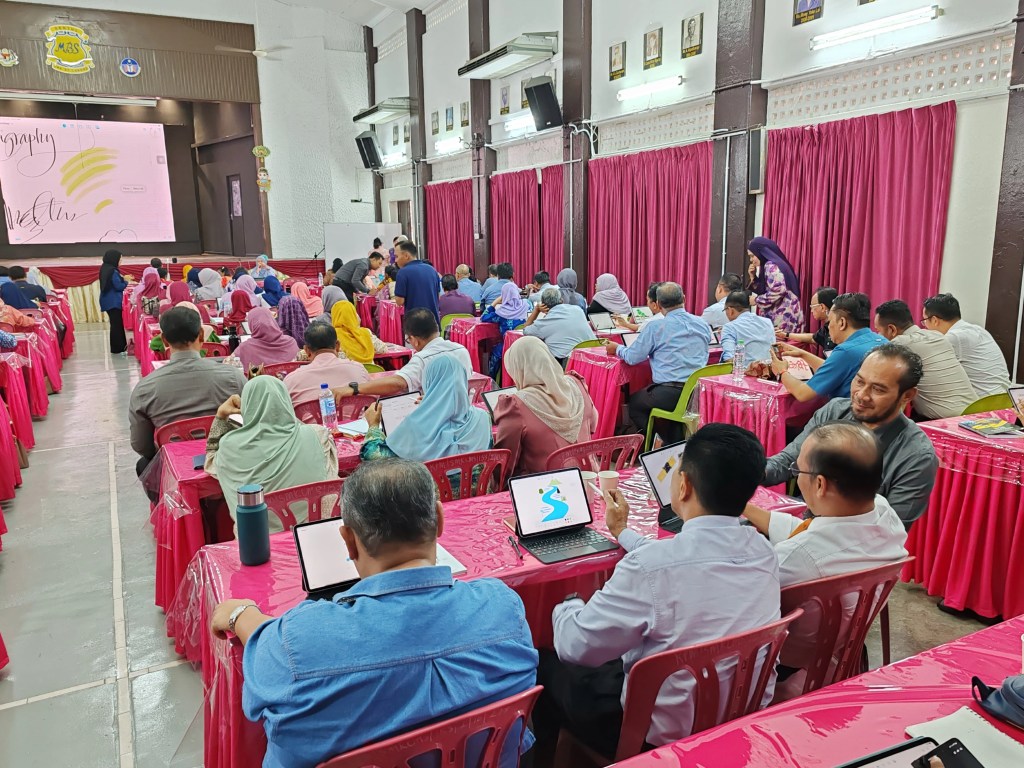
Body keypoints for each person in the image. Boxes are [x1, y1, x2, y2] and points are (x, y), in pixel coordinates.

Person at [210, 459, 538, 768]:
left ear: (348, 541)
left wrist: (242, 613)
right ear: (439, 520)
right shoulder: (504, 607)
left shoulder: (294, 644)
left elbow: (261, 679)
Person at [537, 424, 781, 756]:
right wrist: (622, 532)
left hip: (655, 737)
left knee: (546, 665)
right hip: (740, 715)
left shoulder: (651, 568)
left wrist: (566, 605)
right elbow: (679, 559)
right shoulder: (764, 552)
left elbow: (576, 648)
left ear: (683, 486)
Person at [744, 422, 907, 697]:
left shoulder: (798, 558)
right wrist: (746, 509)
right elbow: (814, 534)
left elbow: (744, 598)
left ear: (819, 484)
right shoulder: (882, 511)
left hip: (786, 666)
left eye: (798, 471)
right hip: (843, 650)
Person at [764, 344, 938, 528]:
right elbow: (788, 461)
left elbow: (889, 532)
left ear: (907, 395)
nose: (862, 395)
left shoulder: (916, 455)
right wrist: (748, 473)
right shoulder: (835, 411)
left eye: (878, 389)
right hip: (808, 524)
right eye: (860, 382)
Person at [206, 376, 338, 533]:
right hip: (315, 535)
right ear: (286, 401)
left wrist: (221, 416)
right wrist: (283, 413)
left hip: (257, 545)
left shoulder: (229, 446)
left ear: (247, 407)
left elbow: (211, 461)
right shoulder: (317, 435)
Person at [128, 307, 246, 476]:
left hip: (176, 470)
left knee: (143, 464)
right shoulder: (233, 377)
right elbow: (251, 422)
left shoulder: (145, 389)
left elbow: (141, 445)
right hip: (228, 463)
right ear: (201, 335)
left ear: (164, 340)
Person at [603, 283, 710, 444]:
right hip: (698, 392)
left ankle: (657, 444)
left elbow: (632, 357)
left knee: (635, 404)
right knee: (666, 408)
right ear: (684, 299)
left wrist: (617, 348)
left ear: (658, 305)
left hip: (669, 392)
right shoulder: (702, 323)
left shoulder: (656, 326)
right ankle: (672, 442)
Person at [495, 336, 599, 476]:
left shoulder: (516, 405)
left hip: (543, 488)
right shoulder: (576, 384)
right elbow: (593, 425)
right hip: (588, 477)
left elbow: (506, 460)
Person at [360, 355, 491, 463]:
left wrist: (373, 426)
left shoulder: (415, 426)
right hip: (481, 493)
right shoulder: (483, 418)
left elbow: (374, 456)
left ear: (429, 382)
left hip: (430, 495)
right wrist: (435, 402)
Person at [331, 308, 472, 401]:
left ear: (414, 340)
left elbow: (398, 383)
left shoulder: (423, 358)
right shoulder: (461, 350)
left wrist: (355, 388)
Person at [772, 293, 886, 403]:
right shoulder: (883, 341)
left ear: (842, 323)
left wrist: (782, 371)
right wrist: (803, 354)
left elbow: (802, 394)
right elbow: (835, 369)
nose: (828, 327)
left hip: (848, 417)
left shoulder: (846, 351)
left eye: (830, 321)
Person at [874, 299, 975, 420]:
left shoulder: (899, 345)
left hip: (946, 422)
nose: (878, 335)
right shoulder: (938, 336)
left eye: (878, 331)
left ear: (892, 329)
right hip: (975, 412)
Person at [922, 293, 1010, 399]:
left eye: (925, 321)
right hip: (1006, 399)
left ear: (935, 320)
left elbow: (927, 367)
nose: (925, 326)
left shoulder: (954, 337)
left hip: (984, 404)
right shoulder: (978, 329)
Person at [283, 324, 370, 406]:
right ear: (337, 346)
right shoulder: (359, 370)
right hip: (358, 422)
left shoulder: (291, 380)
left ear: (307, 351)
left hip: (311, 423)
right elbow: (374, 401)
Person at [522, 288, 597, 363]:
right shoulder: (578, 309)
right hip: (590, 358)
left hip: (566, 363)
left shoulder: (543, 324)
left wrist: (536, 310)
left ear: (543, 304)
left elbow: (525, 330)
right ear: (561, 300)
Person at [746, 237, 804, 333]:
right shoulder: (777, 263)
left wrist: (756, 300)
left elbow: (778, 290)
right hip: (789, 313)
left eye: (752, 256)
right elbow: (767, 288)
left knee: (780, 346)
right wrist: (753, 277)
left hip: (782, 316)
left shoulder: (771, 265)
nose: (751, 260)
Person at [480, 282, 530, 379]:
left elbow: (484, 317)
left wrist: (495, 302)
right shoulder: (526, 305)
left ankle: (492, 380)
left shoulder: (501, 313)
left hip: (507, 346)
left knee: (495, 351)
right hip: (524, 346)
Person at [232, 308, 299, 371]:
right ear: (273, 320)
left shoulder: (244, 348)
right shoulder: (290, 342)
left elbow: (229, 365)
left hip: (259, 383)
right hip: (288, 382)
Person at [778, 287, 838, 355]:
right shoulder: (826, 328)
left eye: (812, 307)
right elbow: (812, 338)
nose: (811, 311)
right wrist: (785, 335)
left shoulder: (838, 331)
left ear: (822, 307)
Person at [720, 291, 776, 363]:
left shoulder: (729, 327)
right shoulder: (767, 322)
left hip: (746, 372)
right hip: (770, 370)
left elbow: (729, 359)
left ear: (730, 310)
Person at [394, 241, 441, 324]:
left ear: (406, 255)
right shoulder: (432, 270)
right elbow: (438, 296)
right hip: (434, 321)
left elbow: (399, 301)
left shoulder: (403, 272)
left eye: (396, 256)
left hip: (414, 324)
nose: (395, 260)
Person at [98, 249, 129, 354]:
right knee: (116, 325)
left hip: (107, 300)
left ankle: (120, 346)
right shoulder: (113, 271)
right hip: (113, 301)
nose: (121, 261)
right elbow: (118, 286)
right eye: (120, 259)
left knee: (116, 324)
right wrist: (126, 281)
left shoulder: (105, 268)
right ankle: (117, 348)